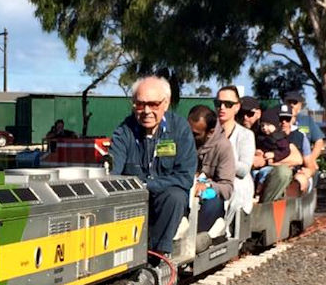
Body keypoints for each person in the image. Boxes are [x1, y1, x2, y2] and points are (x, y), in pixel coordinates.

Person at [110, 76, 195, 256]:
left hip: (165, 202)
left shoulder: (180, 129)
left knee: (175, 196)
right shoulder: (124, 131)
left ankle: (157, 255)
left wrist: (147, 185)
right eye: (140, 104)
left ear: (166, 103)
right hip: (133, 199)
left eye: (153, 104)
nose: (147, 111)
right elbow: (112, 172)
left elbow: (185, 178)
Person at [187, 105, 235, 235]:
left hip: (208, 199)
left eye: (196, 134)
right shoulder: (183, 141)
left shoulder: (223, 147)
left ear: (210, 132)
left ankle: (199, 238)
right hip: (185, 192)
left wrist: (206, 186)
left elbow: (227, 188)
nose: (190, 136)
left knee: (213, 202)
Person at [216, 86, 256, 228]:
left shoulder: (246, 135)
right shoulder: (208, 132)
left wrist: (222, 160)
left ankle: (225, 230)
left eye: (228, 104)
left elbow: (244, 169)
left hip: (236, 183)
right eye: (218, 103)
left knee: (235, 189)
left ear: (237, 107)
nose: (222, 107)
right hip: (211, 181)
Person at [252, 107, 302, 201]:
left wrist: (274, 156)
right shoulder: (260, 137)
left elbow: (289, 153)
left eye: (287, 119)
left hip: (272, 168)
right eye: (262, 125)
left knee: (272, 173)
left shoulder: (281, 139)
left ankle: (260, 190)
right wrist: (258, 152)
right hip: (259, 167)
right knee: (254, 174)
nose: (283, 122)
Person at [284, 90, 325, 165]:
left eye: (295, 102)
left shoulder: (307, 120)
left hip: (305, 162)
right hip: (284, 161)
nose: (291, 105)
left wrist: (311, 160)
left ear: (300, 105)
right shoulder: (277, 120)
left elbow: (319, 141)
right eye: (289, 102)